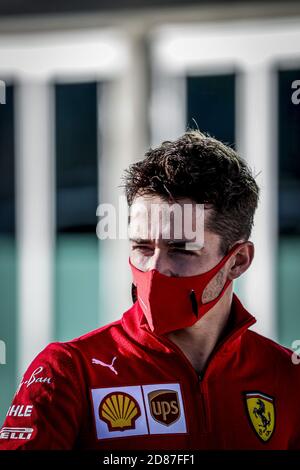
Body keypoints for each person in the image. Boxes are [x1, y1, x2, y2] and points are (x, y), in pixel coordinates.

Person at [0, 130, 299, 450]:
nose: (155, 268)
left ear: (237, 261)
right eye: (142, 246)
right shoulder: (70, 371)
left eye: (182, 249)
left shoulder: (287, 376)